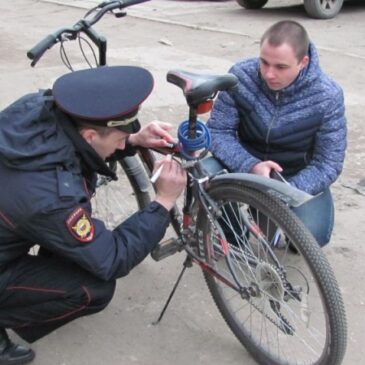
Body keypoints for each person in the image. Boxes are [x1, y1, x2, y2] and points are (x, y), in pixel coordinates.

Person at [0, 65, 186, 364]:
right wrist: (163, 202)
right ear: (89, 135)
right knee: (94, 288)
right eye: (119, 139)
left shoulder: (40, 109)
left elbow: (80, 150)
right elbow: (111, 259)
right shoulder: (51, 199)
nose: (123, 143)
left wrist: (133, 139)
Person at [206, 20, 347, 247]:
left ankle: (272, 217)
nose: (269, 74)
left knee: (312, 237)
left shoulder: (327, 96)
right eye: (264, 62)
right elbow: (218, 131)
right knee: (204, 171)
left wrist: (286, 190)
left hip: (295, 176)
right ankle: (234, 236)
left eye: (281, 67)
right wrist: (250, 165)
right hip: (246, 164)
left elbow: (328, 163)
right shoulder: (241, 76)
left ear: (303, 62)